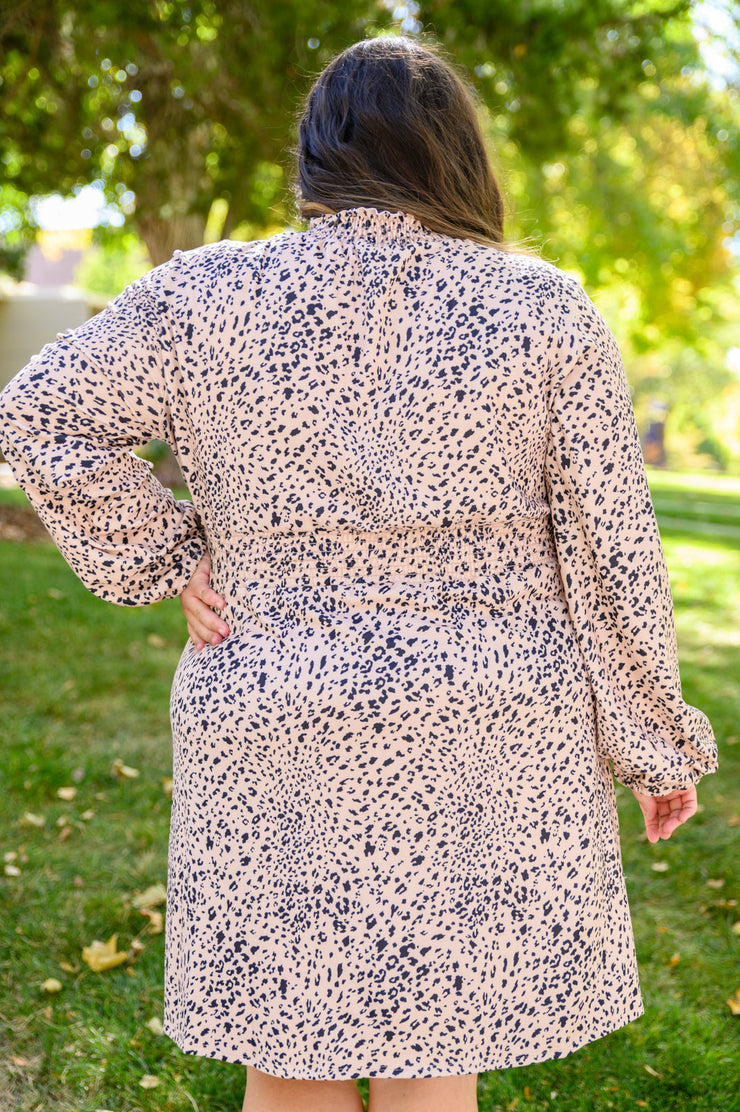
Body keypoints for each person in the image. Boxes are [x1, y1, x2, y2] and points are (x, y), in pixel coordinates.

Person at [0, 34, 718, 1112]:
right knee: (435, 1059)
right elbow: (611, 545)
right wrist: (654, 740)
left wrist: (170, 551)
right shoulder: (542, 309)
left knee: (289, 1060)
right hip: (485, 723)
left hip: (273, 709)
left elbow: (40, 413)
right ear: (457, 158)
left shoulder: (203, 293)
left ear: (314, 155)